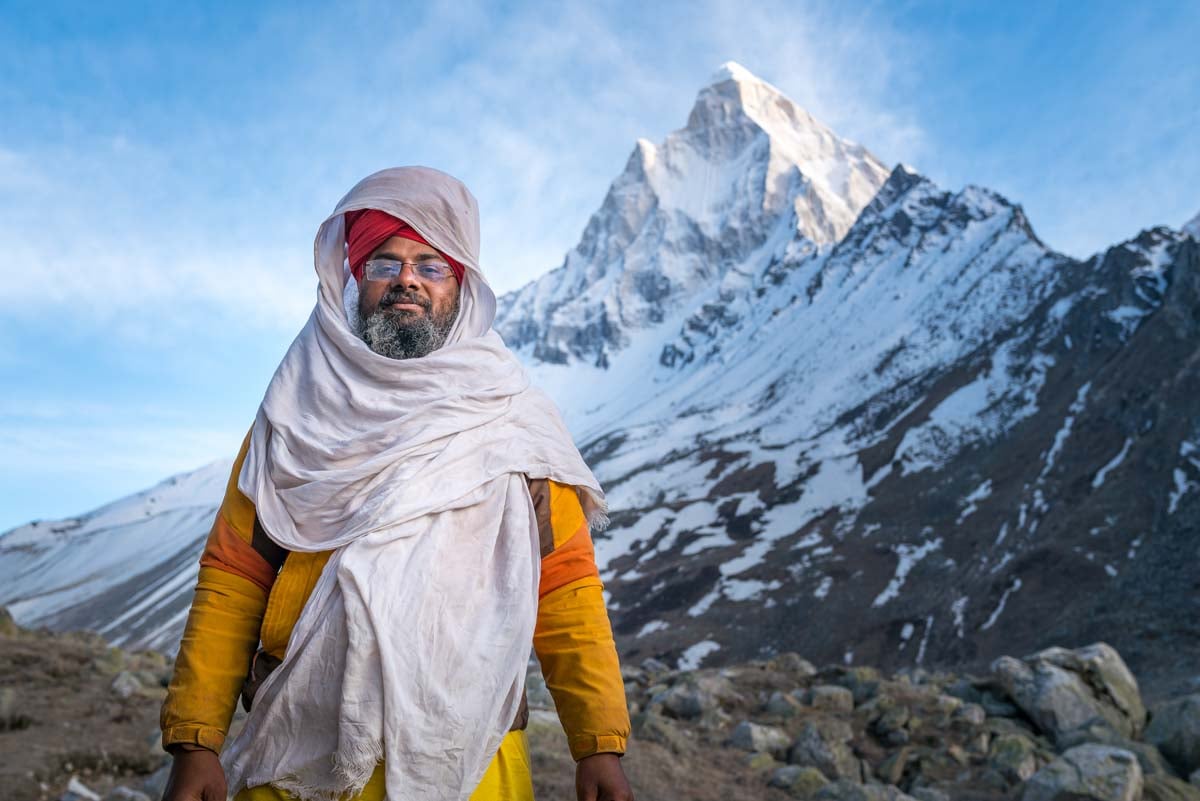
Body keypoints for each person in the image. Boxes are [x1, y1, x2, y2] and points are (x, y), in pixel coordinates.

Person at [159, 167, 634, 801]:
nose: (406, 278)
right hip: (298, 753)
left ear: (459, 286)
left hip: (473, 762)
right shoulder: (293, 416)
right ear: (355, 280)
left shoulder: (516, 425)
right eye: (385, 262)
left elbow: (567, 590)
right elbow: (234, 575)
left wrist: (598, 745)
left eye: (430, 264)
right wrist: (195, 741)